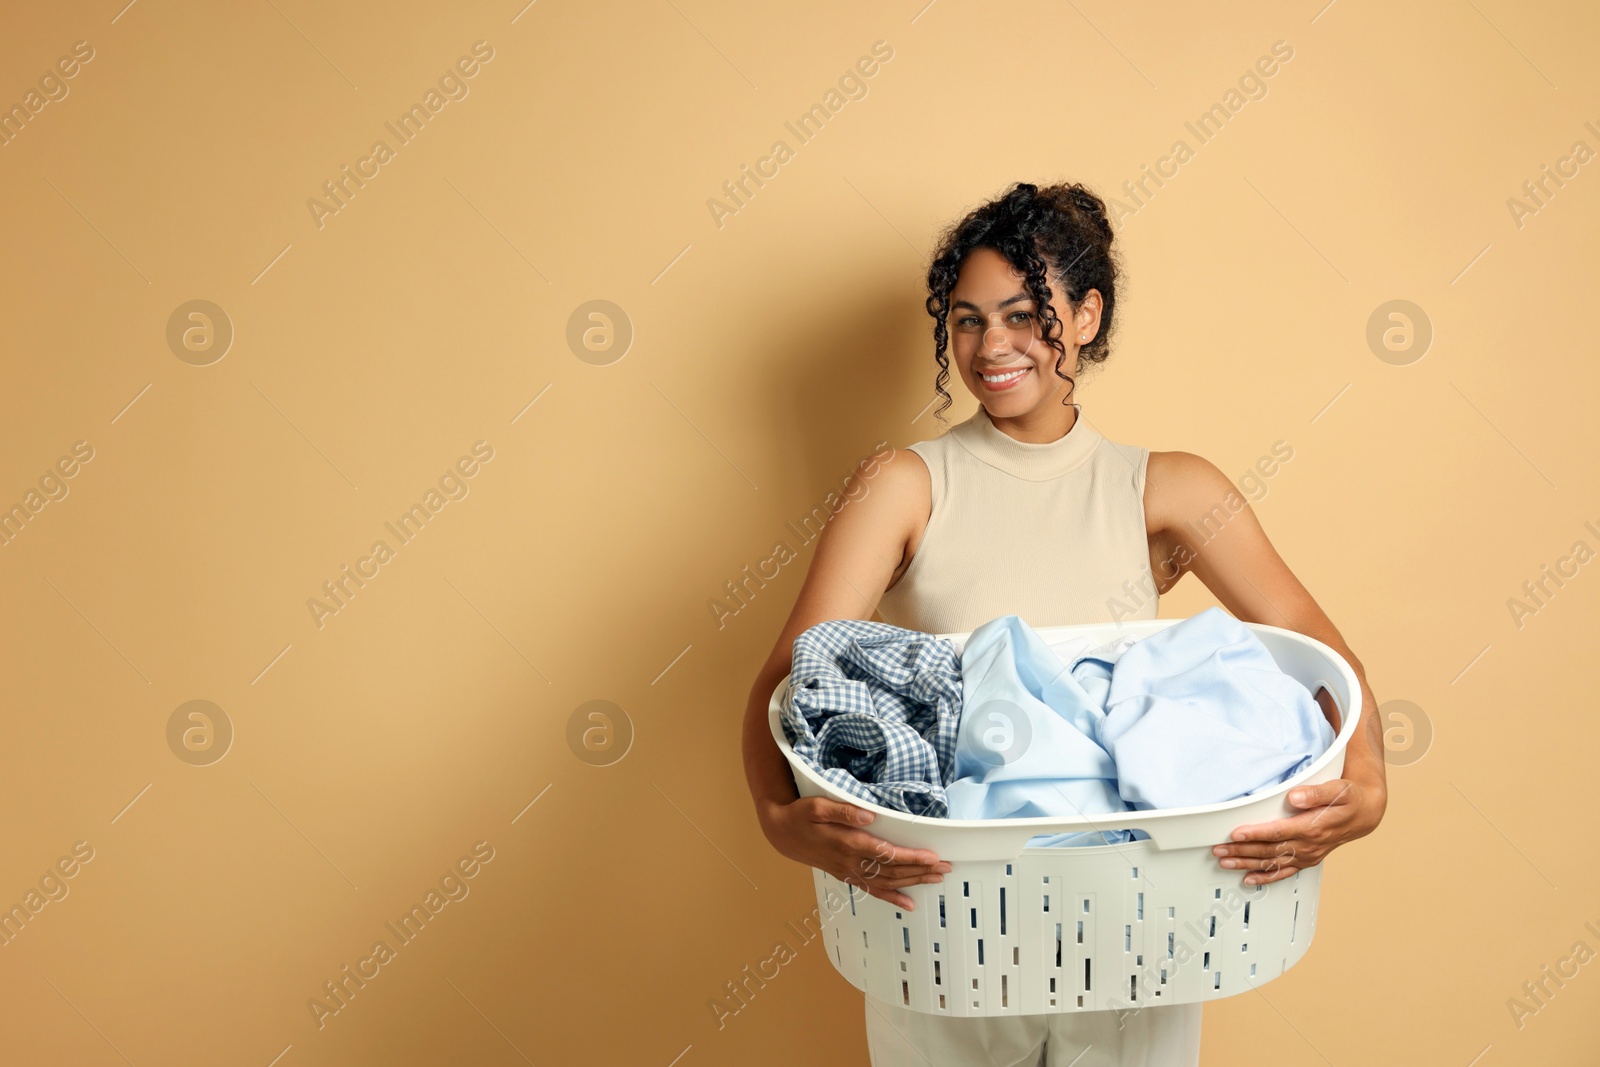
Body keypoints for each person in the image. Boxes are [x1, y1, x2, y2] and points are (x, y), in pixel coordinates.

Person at [740, 180, 1389, 1065]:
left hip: (1135, 932)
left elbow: (1320, 656)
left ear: (1084, 315)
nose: (991, 346)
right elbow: (792, 680)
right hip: (948, 933)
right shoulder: (904, 484)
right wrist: (779, 818)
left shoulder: (1169, 488)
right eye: (966, 320)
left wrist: (1368, 791)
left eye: (1021, 314)